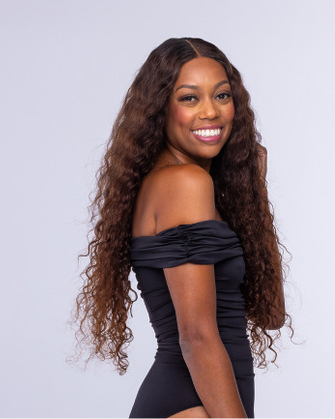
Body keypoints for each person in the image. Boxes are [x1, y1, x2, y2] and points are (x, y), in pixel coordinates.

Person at [74, 38, 290, 418]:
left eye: (222, 96)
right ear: (161, 109)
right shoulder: (183, 184)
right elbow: (195, 337)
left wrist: (257, 194)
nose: (211, 111)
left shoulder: (188, 186)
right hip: (193, 404)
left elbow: (271, 315)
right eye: (190, 98)